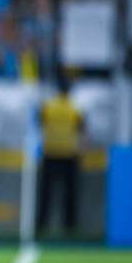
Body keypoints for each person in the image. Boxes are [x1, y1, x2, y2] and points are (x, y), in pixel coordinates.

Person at [37, 76, 83, 239]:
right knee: (70, 194)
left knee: (45, 194)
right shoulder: (74, 108)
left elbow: (39, 124)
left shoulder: (48, 107)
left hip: (50, 153)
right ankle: (70, 227)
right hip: (69, 154)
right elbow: (82, 130)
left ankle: (41, 225)